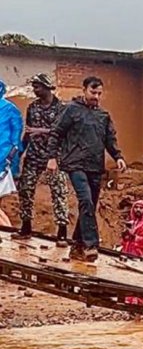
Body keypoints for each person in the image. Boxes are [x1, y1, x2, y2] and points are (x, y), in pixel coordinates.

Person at [46, 76, 126, 262]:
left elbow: (110, 140)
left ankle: (77, 244)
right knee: (85, 200)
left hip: (95, 166)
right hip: (74, 163)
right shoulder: (71, 110)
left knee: (90, 204)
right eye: (93, 92)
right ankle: (91, 244)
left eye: (99, 93)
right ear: (84, 90)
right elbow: (56, 134)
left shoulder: (103, 116)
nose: (96, 96)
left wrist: (118, 157)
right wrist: (52, 158)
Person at [12, 74, 69, 244]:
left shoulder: (61, 108)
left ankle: (62, 232)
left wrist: (40, 131)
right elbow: (28, 132)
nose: (35, 90)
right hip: (34, 156)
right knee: (26, 189)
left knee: (59, 193)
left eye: (38, 87)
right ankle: (26, 227)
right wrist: (20, 152)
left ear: (46, 87)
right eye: (34, 86)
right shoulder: (32, 108)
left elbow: (62, 133)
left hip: (54, 158)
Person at [0, 79, 23, 226]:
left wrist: (12, 164)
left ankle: (5, 229)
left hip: (3, 160)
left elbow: (15, 140)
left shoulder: (10, 110)